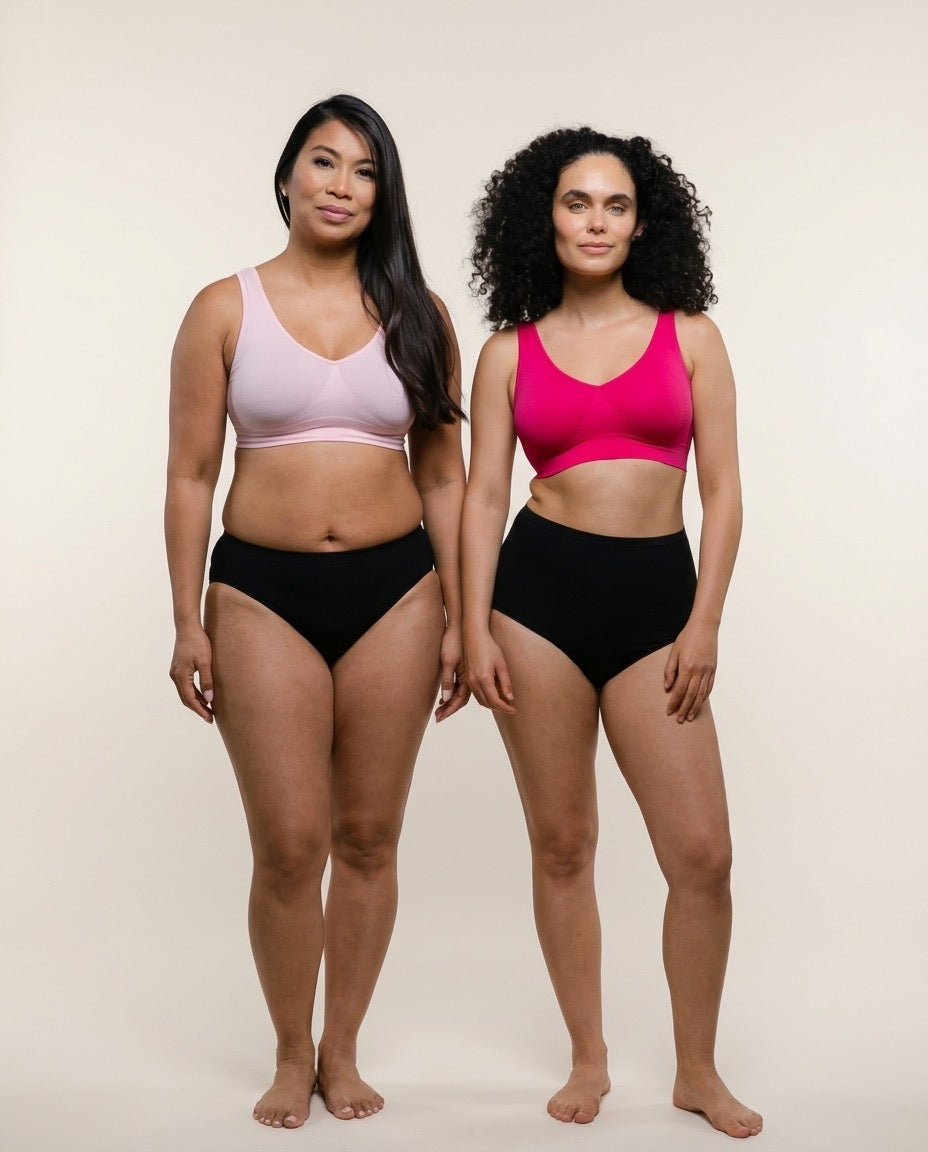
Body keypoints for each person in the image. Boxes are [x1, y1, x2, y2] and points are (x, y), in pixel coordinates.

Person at [165, 94, 467, 1129]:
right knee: (290, 846)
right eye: (324, 163)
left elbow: (444, 481)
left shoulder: (419, 315)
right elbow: (191, 475)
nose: (342, 185)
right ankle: (290, 1052)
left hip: (398, 593)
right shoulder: (222, 306)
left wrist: (465, 620)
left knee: (370, 836)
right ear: (287, 176)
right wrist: (185, 619)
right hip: (258, 593)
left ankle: (343, 1051)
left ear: (383, 193)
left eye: (365, 170)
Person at [461, 128, 762, 1138]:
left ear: (644, 222)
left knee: (702, 856)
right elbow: (480, 496)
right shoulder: (507, 351)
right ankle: (587, 1059)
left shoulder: (691, 338)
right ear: (543, 217)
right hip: (535, 600)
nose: (596, 222)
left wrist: (704, 621)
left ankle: (695, 1070)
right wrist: (472, 626)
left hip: (655, 605)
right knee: (562, 844)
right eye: (577, 203)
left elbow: (721, 493)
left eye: (616, 205)